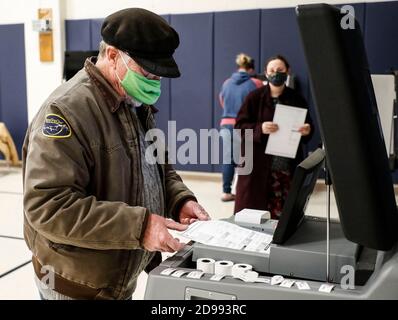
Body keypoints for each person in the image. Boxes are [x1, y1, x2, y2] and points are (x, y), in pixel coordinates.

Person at [22, 8, 210, 300]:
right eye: (146, 72)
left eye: (159, 75)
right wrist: (140, 226)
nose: (154, 83)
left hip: (117, 280)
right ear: (112, 55)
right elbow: (48, 206)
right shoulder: (66, 111)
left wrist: (179, 199)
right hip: (77, 287)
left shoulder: (133, 103)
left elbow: (158, 168)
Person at [234, 55, 313, 218]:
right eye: (272, 70)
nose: (276, 73)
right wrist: (260, 128)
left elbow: (307, 128)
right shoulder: (254, 97)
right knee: (257, 212)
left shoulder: (296, 98)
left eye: (280, 70)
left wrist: (307, 130)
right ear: (266, 72)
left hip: (286, 167)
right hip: (258, 165)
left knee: (285, 213)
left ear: (288, 72)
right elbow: (239, 127)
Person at [219, 53, 263, 202]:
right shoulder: (255, 83)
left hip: (226, 124)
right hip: (244, 125)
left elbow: (222, 102)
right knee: (246, 159)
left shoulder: (226, 83)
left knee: (228, 158)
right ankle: (244, 192)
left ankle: (226, 192)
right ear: (251, 69)